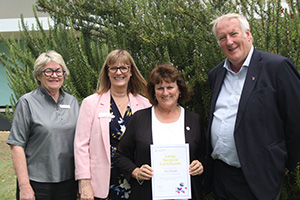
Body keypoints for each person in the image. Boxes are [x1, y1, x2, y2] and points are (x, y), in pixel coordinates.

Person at [206, 13, 300, 200]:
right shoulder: (216, 74)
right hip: (222, 177)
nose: (229, 42)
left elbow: (296, 120)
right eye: (222, 38)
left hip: (259, 177)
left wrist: (285, 164)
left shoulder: (277, 67)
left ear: (248, 34)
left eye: (234, 34)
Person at [115, 64, 205, 200]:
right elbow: (121, 155)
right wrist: (136, 172)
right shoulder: (139, 119)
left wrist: (200, 166)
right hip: (146, 194)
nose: (165, 93)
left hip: (186, 194)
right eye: (160, 88)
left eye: (170, 87)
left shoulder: (194, 120)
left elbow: (204, 156)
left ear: (179, 90)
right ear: (154, 92)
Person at [74, 49, 151, 200]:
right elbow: (81, 145)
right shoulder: (91, 103)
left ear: (131, 72)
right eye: (113, 68)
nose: (118, 72)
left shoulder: (145, 104)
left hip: (136, 179)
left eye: (124, 68)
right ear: (107, 72)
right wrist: (84, 183)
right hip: (102, 183)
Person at [7, 50, 80, 200]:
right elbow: (16, 145)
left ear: (64, 74)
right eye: (48, 71)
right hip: (37, 183)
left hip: (68, 182)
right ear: (39, 75)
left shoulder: (72, 102)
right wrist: (24, 186)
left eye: (58, 71)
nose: (54, 75)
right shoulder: (27, 102)